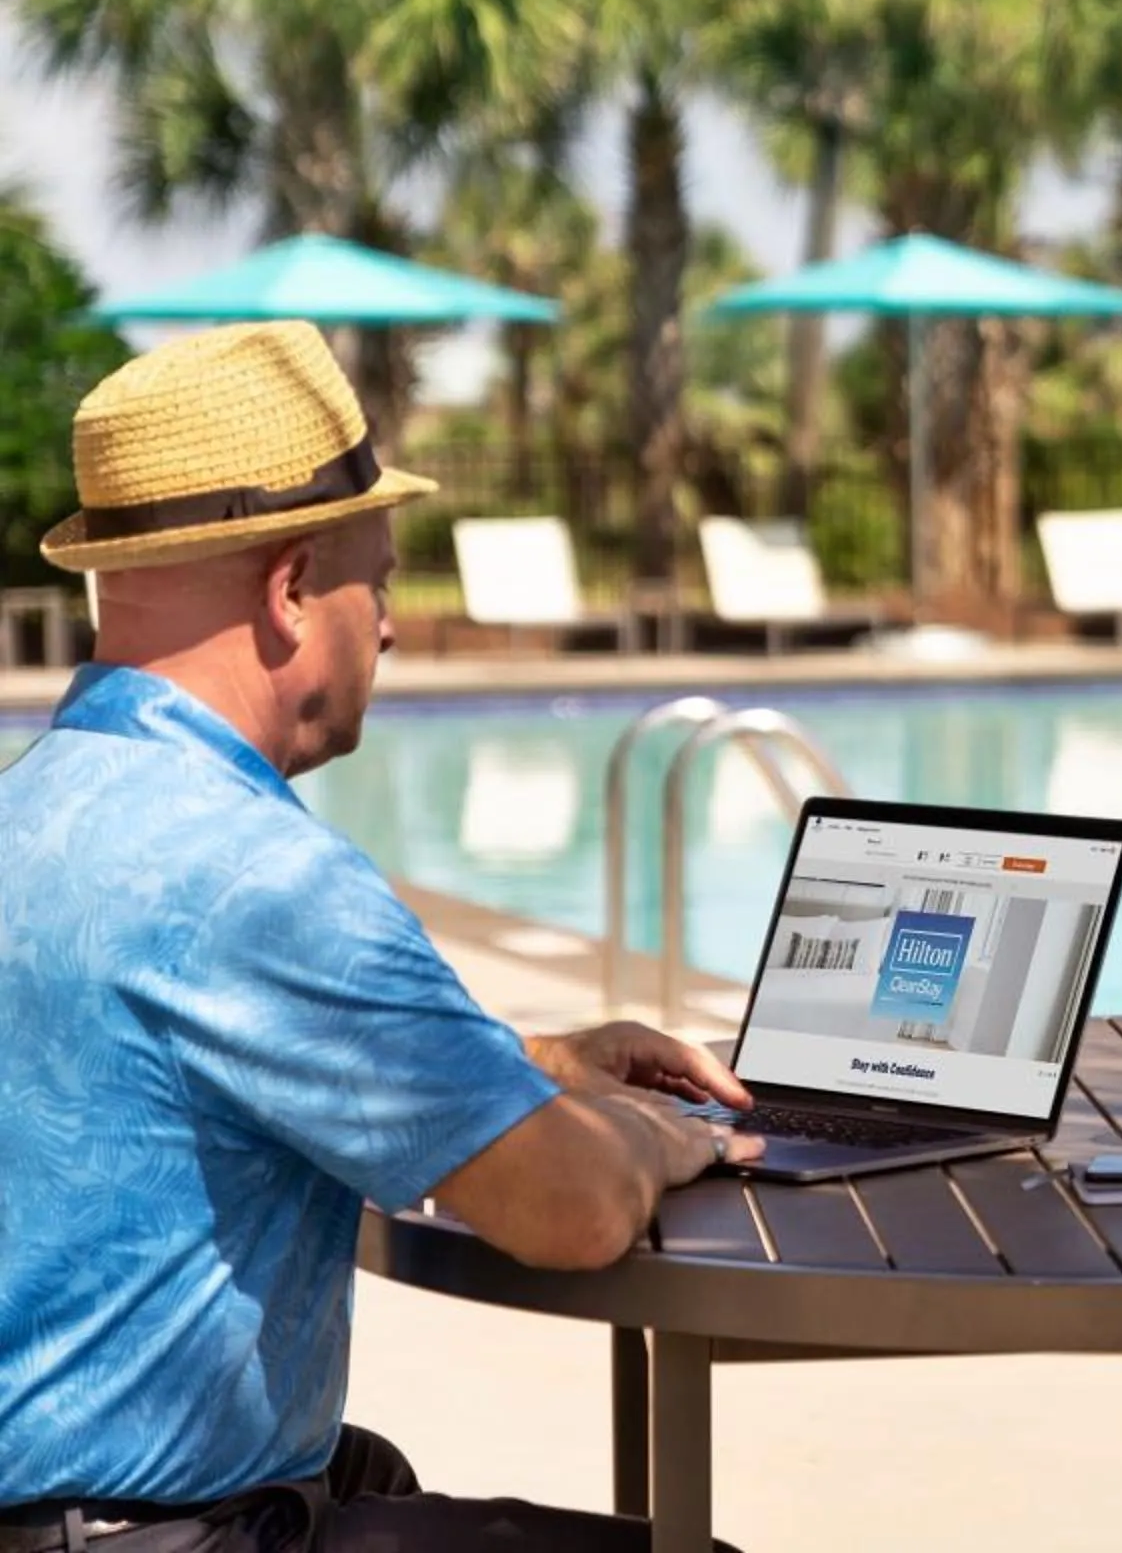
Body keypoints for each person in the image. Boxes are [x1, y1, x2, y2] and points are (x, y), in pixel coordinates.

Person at [0, 322, 766, 1552]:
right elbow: (569, 1209)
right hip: (157, 1533)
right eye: (385, 581)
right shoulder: (256, 872)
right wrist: (664, 1138)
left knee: (385, 1475)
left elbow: (181, 1040)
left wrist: (545, 1061)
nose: (395, 626)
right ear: (293, 586)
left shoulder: (37, 809)